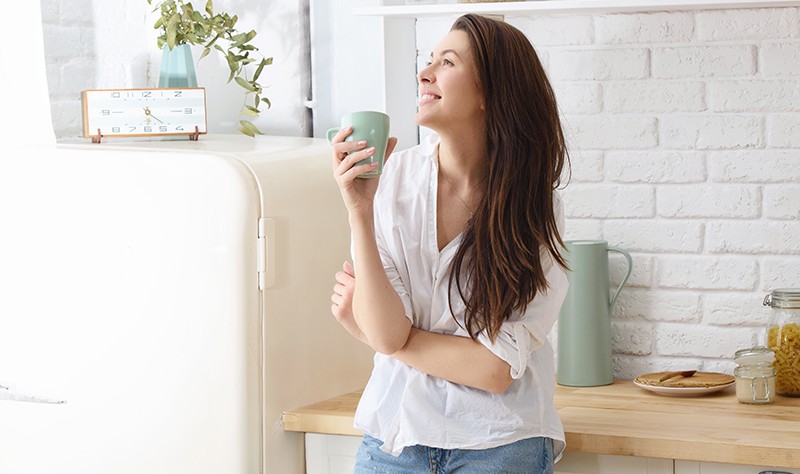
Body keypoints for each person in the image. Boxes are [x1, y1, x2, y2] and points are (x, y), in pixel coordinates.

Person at [328, 13, 570, 474]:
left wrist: (382, 336)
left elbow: (494, 371)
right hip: (394, 441)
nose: (425, 72)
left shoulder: (535, 208)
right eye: (428, 60)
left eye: (447, 62)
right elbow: (387, 333)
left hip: (500, 445)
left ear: (489, 93)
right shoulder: (391, 181)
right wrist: (358, 209)